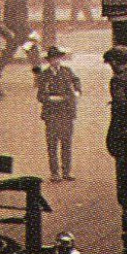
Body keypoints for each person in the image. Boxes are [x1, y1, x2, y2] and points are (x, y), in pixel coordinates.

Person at [33, 46, 82, 182]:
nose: (55, 61)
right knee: (52, 144)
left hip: (67, 112)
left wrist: (77, 91)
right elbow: (40, 96)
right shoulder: (44, 75)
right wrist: (50, 99)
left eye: (57, 58)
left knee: (66, 143)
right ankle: (54, 173)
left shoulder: (67, 71)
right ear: (49, 61)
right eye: (52, 59)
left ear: (60, 59)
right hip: (52, 114)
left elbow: (76, 81)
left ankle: (66, 171)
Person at [0, 0, 32, 77]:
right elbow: (22, 20)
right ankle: (38, 78)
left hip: (12, 32)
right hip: (22, 33)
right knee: (34, 54)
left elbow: (7, 16)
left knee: (7, 53)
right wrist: (30, 32)